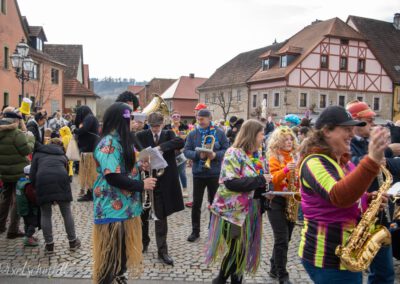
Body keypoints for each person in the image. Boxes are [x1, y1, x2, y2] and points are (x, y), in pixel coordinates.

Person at [298, 106, 389, 283]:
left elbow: (353, 195)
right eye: (346, 130)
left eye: (352, 130)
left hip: (346, 253)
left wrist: (370, 199)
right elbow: (339, 195)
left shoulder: (343, 162)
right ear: (326, 131)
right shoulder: (313, 162)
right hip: (327, 257)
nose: (351, 134)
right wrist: (371, 160)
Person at [92, 102, 156, 284]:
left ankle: (119, 277)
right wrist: (142, 185)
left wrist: (140, 165)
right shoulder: (108, 143)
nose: (132, 123)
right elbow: (113, 177)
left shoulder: (122, 140)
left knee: (121, 258)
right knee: (109, 260)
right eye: (129, 119)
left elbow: (125, 168)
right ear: (121, 121)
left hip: (126, 209)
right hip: (111, 211)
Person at [206, 119, 271, 284]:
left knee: (243, 249)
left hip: (251, 211)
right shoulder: (233, 152)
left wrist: (267, 192)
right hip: (232, 212)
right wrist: (260, 180)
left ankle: (231, 279)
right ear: (252, 134)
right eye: (261, 134)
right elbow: (231, 182)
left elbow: (258, 184)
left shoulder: (257, 156)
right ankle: (220, 280)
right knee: (237, 250)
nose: (263, 137)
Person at [346, 100, 398, 284]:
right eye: (369, 120)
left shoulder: (370, 141)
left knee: (385, 273)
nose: (373, 123)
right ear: (356, 121)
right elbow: (349, 164)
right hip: (358, 216)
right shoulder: (346, 143)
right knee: (357, 272)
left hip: (378, 212)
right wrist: (378, 156)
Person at [136, 112, 185, 265]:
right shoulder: (141, 135)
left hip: (163, 183)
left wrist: (160, 147)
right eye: (152, 126)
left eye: (157, 126)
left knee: (161, 216)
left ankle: (162, 251)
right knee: (143, 214)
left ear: (162, 124)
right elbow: (136, 148)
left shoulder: (168, 133)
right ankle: (143, 243)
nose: (155, 129)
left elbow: (180, 142)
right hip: (145, 180)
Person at [184, 109, 229, 242]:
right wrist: (198, 155)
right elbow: (186, 151)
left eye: (202, 119)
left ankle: (213, 230)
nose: (199, 121)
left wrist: (215, 155)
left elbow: (227, 150)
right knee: (196, 204)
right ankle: (195, 231)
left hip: (214, 173)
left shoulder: (220, 133)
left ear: (209, 118)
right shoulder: (193, 134)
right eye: (198, 118)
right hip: (198, 173)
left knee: (214, 203)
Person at [30, 138, 80, 253]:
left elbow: (32, 175)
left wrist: (35, 188)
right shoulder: (62, 156)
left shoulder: (38, 153)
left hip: (42, 181)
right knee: (66, 212)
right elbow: (68, 174)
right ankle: (73, 242)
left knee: (45, 213)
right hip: (61, 181)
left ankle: (49, 245)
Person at [266, 126, 298, 284]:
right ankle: (282, 275)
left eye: (291, 139)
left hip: (291, 201)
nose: (289, 142)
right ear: (278, 141)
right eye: (285, 139)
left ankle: (273, 267)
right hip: (276, 201)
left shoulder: (295, 156)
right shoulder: (274, 157)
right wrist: (285, 169)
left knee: (287, 237)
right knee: (281, 239)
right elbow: (273, 179)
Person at [0, 110, 35, 239]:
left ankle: (1, 225)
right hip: (18, 171)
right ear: (16, 121)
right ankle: (13, 229)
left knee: (5, 198)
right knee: (17, 200)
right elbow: (26, 149)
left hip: (3, 170)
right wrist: (31, 138)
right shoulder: (16, 134)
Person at [74, 106, 99, 202]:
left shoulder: (89, 118)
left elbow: (83, 129)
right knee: (89, 173)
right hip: (89, 150)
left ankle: (91, 194)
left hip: (89, 151)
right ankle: (90, 193)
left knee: (89, 173)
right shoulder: (91, 117)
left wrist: (75, 130)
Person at [163, 111, 189, 198]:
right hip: (170, 153)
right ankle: (174, 190)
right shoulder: (167, 127)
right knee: (172, 172)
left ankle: (184, 189)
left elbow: (187, 140)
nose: (176, 118)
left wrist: (184, 149)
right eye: (174, 116)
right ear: (171, 118)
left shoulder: (184, 127)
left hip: (181, 153)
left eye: (178, 116)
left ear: (180, 118)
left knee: (181, 172)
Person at [16, 166, 40, 247]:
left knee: (27, 223)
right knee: (33, 223)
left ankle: (29, 236)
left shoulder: (20, 182)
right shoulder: (28, 184)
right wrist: (38, 202)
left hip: (22, 208)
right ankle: (28, 237)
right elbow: (32, 197)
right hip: (29, 208)